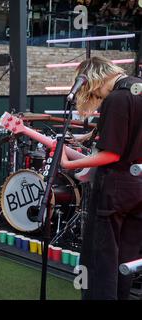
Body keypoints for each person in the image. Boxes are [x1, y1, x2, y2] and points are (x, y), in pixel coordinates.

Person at [60, 56, 142, 300]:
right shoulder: (138, 87)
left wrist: (69, 163)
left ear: (94, 79)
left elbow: (111, 154)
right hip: (138, 189)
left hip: (115, 189)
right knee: (126, 259)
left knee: (101, 260)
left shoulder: (117, 98)